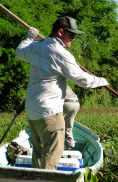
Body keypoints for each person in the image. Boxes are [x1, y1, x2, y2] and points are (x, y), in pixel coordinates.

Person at [15, 16, 109, 170]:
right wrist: (101, 81)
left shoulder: (35, 47)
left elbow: (20, 51)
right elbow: (82, 80)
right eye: (71, 35)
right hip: (49, 110)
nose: (72, 40)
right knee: (53, 152)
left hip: (32, 108)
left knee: (39, 151)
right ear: (60, 32)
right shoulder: (61, 54)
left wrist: (29, 38)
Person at [63, 85, 80, 150]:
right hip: (76, 102)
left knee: (58, 128)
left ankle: (57, 151)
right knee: (68, 129)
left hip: (66, 102)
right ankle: (70, 149)